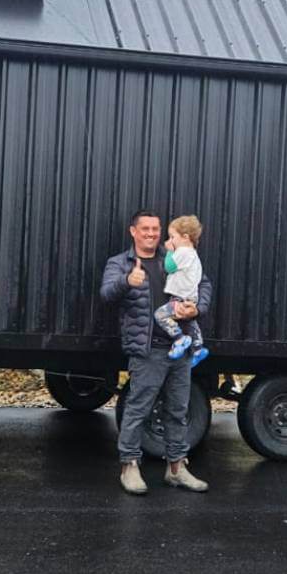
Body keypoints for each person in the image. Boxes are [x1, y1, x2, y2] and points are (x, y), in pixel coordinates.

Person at [100, 209, 212, 495]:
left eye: (156, 229)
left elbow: (204, 283)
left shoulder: (173, 258)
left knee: (178, 411)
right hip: (147, 351)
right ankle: (129, 467)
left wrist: (197, 307)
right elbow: (106, 294)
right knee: (138, 410)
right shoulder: (120, 263)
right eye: (145, 229)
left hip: (180, 349)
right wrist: (128, 281)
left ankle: (177, 468)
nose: (152, 234)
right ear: (133, 231)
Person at [154, 214, 209, 367]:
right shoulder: (193, 255)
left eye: (172, 237)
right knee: (190, 322)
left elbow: (169, 267)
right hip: (190, 298)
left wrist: (169, 251)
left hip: (179, 297)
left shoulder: (183, 252)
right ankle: (198, 348)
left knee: (160, 315)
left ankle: (179, 339)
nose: (171, 241)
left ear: (185, 237)